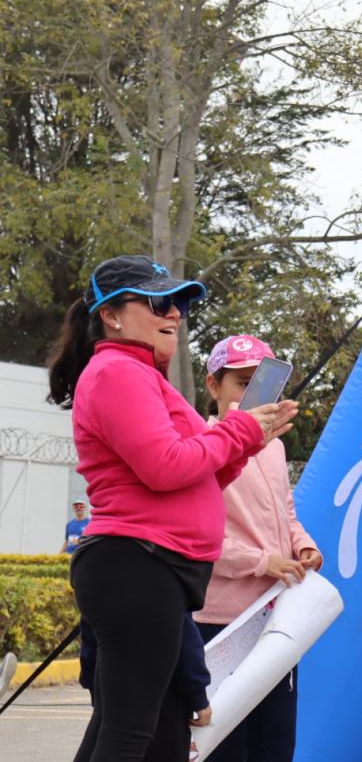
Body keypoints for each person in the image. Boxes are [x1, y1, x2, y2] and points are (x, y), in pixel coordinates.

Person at [46, 254, 298, 762]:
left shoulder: (143, 376)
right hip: (138, 563)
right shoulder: (118, 371)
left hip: (151, 566)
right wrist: (239, 430)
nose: (176, 313)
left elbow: (196, 475)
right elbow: (165, 465)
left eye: (180, 303)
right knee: (133, 733)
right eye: (160, 301)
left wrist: (245, 441)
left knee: (137, 730)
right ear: (112, 315)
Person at [194, 334, 323, 762]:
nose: (252, 395)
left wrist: (304, 547)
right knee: (224, 746)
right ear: (213, 386)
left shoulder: (275, 446)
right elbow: (196, 535)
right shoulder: (202, 443)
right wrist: (263, 561)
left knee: (274, 743)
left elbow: (286, 515)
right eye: (240, 383)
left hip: (275, 619)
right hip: (220, 624)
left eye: (262, 385)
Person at [78, 615, 212, 761]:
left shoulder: (99, 591)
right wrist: (198, 697)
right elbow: (184, 638)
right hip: (163, 697)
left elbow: (89, 640)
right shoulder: (165, 592)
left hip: (112, 691)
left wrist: (94, 690)